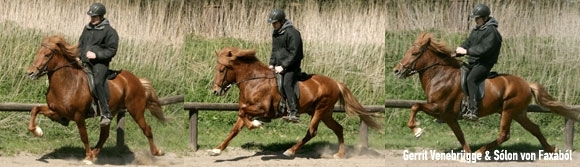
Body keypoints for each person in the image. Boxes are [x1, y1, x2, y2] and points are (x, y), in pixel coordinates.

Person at [452, 4, 502, 121]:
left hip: (484, 63)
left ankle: (473, 110)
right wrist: (456, 52)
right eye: (475, 18)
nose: (475, 20)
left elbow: (484, 49)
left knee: (471, 79)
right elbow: (468, 42)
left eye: (477, 18)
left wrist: (466, 51)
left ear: (485, 18)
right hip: (474, 62)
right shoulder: (477, 29)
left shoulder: (492, 32)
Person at [78, 2, 119, 127]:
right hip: (84, 61)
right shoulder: (87, 28)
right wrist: (77, 55)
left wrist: (97, 55)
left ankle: (106, 113)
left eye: (94, 17)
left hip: (100, 64)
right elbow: (81, 44)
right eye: (91, 16)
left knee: (97, 82)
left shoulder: (110, 32)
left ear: (101, 16)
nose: (92, 19)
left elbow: (112, 50)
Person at [267, 9, 304, 123]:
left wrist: (283, 66)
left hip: (291, 66)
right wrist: (272, 63)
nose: (273, 25)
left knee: (286, 84)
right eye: (272, 23)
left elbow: (295, 53)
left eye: (275, 23)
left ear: (282, 21)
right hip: (279, 65)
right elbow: (275, 51)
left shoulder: (292, 33)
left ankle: (294, 112)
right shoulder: (276, 33)